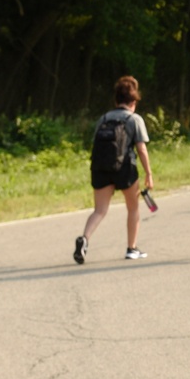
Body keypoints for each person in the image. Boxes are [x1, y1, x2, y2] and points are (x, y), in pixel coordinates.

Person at [73, 76, 154, 263]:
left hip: (101, 167)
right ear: (133, 101)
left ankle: (84, 239)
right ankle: (132, 249)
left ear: (116, 100)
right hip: (125, 168)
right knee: (133, 209)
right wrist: (149, 173)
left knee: (100, 210)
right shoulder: (134, 119)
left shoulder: (103, 118)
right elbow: (141, 148)